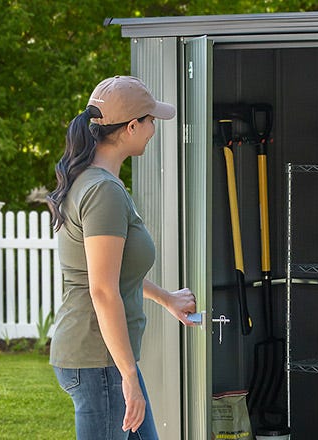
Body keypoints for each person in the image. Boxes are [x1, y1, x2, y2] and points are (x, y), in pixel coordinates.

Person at [46, 75, 196, 439]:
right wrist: (129, 376)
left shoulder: (93, 182)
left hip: (106, 359)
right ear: (131, 127)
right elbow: (101, 289)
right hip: (98, 360)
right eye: (150, 122)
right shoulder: (102, 192)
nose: (153, 130)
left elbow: (112, 273)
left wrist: (166, 298)